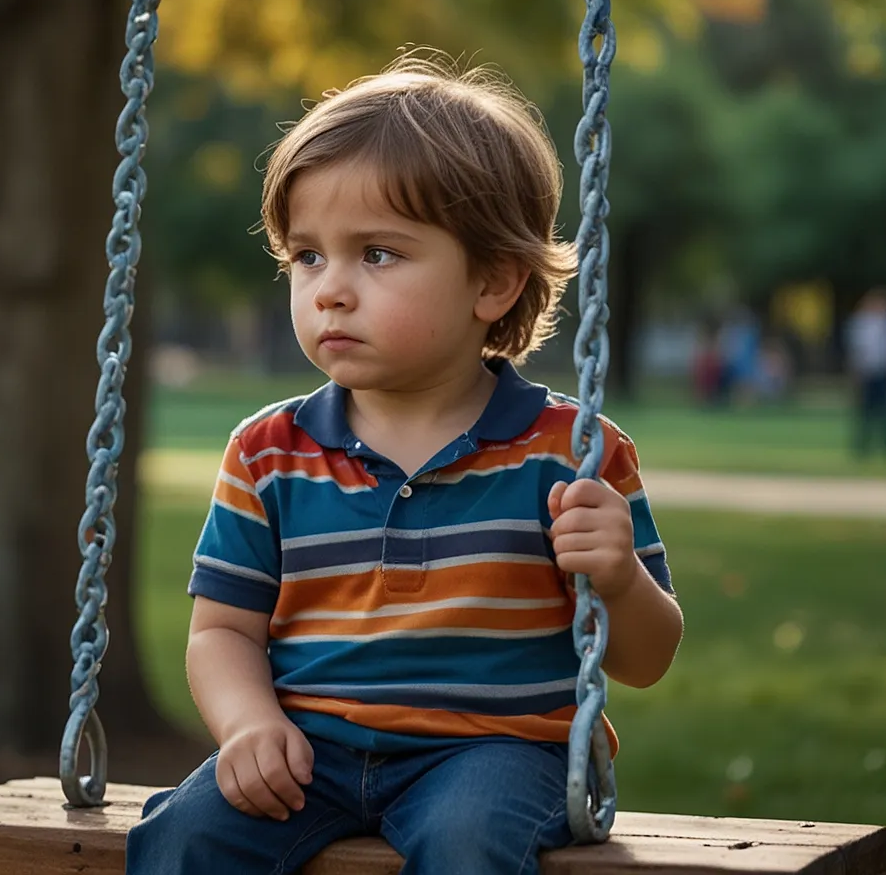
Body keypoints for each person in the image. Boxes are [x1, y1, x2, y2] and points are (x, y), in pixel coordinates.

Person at [126, 56, 683, 875]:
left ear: (492, 282)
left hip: (496, 754)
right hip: (308, 751)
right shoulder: (267, 453)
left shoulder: (571, 452)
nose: (330, 291)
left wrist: (620, 579)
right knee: (182, 837)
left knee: (469, 840)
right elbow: (221, 633)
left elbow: (646, 657)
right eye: (307, 256)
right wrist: (250, 726)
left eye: (377, 255)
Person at [844, 287, 886, 460]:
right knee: (865, 414)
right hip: (867, 374)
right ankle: (861, 449)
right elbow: (855, 351)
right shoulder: (860, 324)